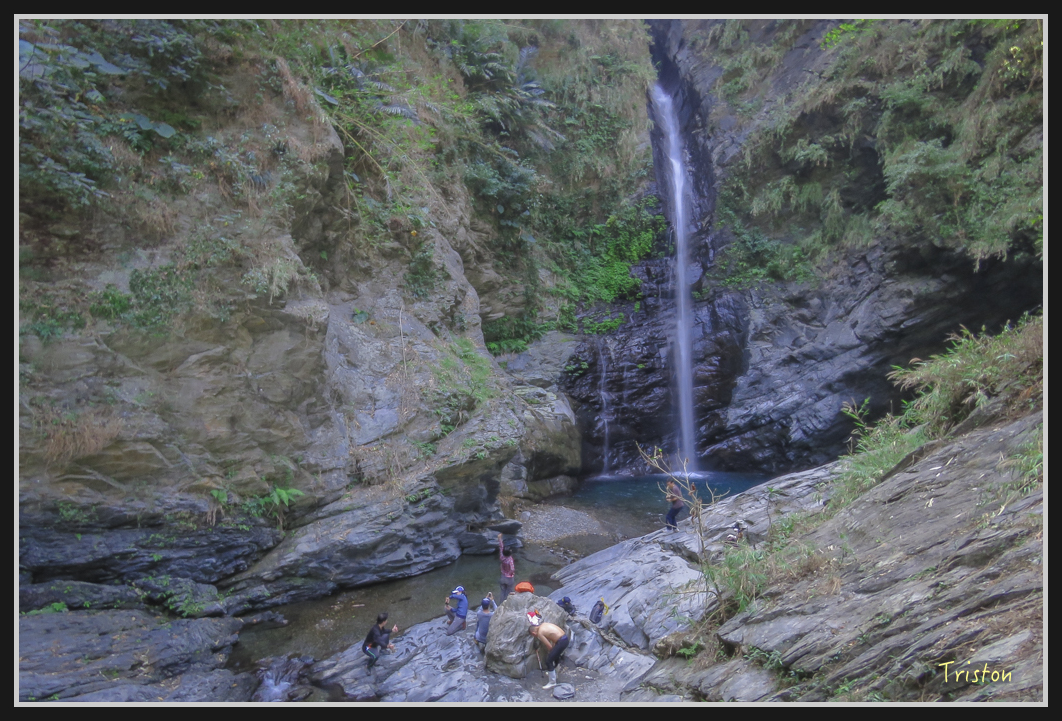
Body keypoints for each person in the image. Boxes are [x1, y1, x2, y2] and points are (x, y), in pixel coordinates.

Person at [529, 619, 570, 689]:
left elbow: (548, 645)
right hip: (564, 638)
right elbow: (553, 637)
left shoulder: (540, 633)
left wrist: (551, 652)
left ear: (533, 633)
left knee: (549, 661)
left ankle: (552, 682)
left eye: (533, 635)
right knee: (555, 656)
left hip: (561, 641)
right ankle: (554, 673)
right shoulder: (543, 625)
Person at [498, 533, 516, 602]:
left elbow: (501, 547)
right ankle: (506, 603)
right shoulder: (510, 560)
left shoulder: (502, 556)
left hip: (503, 576)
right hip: (509, 578)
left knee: (502, 591)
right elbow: (512, 569)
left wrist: (500, 539)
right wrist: (512, 573)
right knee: (509, 591)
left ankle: (501, 603)